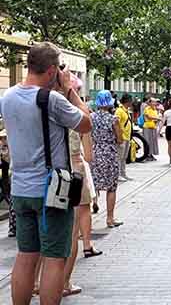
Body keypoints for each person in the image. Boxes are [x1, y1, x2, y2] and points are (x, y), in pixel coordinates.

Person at [0, 42, 92, 305]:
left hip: (20, 189)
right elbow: (85, 123)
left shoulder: (8, 97)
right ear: (52, 70)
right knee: (53, 259)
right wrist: (71, 92)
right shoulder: (51, 100)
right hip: (51, 192)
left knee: (26, 256)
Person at [62, 129, 102, 298]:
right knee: (72, 230)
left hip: (42, 175)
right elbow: (89, 155)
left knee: (43, 232)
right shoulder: (77, 118)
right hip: (75, 172)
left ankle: (36, 282)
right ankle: (64, 283)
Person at [91, 90, 124, 229]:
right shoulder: (113, 119)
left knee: (93, 185)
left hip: (94, 152)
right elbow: (120, 139)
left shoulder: (90, 117)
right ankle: (110, 219)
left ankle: (92, 210)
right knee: (111, 187)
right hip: (109, 154)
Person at [0, 129, 16, 238]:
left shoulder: (12, 147)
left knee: (12, 203)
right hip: (8, 179)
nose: (4, 140)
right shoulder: (3, 149)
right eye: (2, 138)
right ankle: (13, 228)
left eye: (5, 137)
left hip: (14, 178)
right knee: (11, 203)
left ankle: (14, 227)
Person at [115, 94, 133, 180]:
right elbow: (116, 122)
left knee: (124, 157)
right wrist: (119, 136)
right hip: (122, 137)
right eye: (131, 101)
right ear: (127, 101)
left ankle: (123, 173)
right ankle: (118, 174)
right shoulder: (119, 110)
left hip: (127, 136)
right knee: (119, 156)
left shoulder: (126, 110)